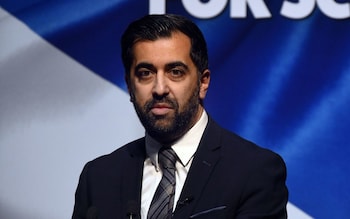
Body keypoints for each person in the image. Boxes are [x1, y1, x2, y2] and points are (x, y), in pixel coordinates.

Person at [72, 14, 288, 219]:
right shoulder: (98, 177)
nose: (159, 88)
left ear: (203, 82)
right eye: (145, 73)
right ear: (130, 86)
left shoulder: (254, 171)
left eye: (175, 72)